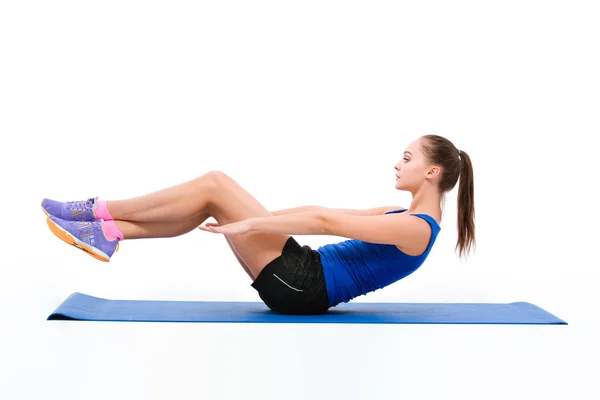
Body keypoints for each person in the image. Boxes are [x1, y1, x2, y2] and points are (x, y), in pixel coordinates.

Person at [41, 134, 475, 315]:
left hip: (303, 285)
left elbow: (325, 222)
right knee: (210, 197)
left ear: (433, 172)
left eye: (408, 157)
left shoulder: (418, 229)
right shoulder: (401, 215)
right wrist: (254, 219)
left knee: (215, 184)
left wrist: (250, 225)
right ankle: (111, 233)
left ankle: (96, 210)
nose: (397, 163)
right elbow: (318, 207)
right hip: (301, 273)